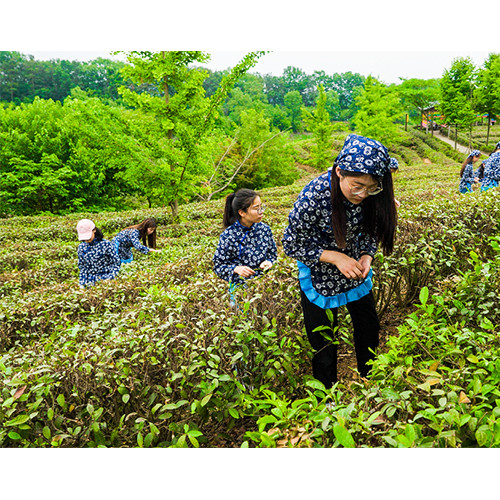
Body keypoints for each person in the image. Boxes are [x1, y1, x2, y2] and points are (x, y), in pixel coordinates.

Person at [282, 134, 398, 389]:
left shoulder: (372, 192)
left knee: (368, 325)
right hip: (320, 270)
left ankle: (370, 380)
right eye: (356, 185)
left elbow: (372, 228)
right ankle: (327, 397)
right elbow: (291, 243)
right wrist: (335, 257)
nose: (362, 194)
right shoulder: (314, 194)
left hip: (354, 266)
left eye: (371, 188)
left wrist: (367, 255)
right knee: (324, 340)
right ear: (339, 172)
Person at [213, 188, 277, 306]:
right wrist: (236, 269)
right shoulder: (229, 235)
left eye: (261, 207)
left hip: (265, 286)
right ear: (242, 212)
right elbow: (218, 266)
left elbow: (273, 255)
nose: (261, 211)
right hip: (240, 291)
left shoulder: (265, 229)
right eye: (256, 208)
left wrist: (269, 262)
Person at [76, 219, 121, 287]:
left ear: (94, 230)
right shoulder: (82, 247)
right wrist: (82, 283)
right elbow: (82, 267)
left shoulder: (106, 244)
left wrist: (110, 278)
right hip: (89, 282)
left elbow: (116, 263)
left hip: (106, 281)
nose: (86, 239)